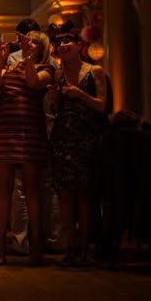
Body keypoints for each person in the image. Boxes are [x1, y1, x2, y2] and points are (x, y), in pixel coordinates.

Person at [0, 29, 55, 265]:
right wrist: (0, 60)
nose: (29, 44)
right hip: (4, 130)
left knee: (31, 189)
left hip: (30, 130)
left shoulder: (46, 69)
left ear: (42, 48)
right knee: (2, 189)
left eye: (35, 42)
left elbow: (33, 82)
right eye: (27, 41)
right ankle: (0, 245)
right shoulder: (9, 66)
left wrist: (26, 58)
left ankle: (36, 244)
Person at [46, 20, 107, 266]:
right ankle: (70, 247)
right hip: (63, 138)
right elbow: (55, 109)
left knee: (84, 194)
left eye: (67, 41)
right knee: (65, 195)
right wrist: (53, 98)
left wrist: (79, 93)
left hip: (86, 137)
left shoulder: (94, 71)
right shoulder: (58, 74)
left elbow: (101, 106)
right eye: (59, 42)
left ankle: (84, 247)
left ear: (79, 45)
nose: (63, 45)